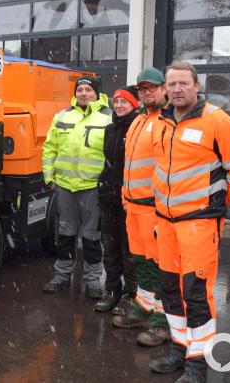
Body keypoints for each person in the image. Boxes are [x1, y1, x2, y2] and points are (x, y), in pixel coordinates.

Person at [149, 61, 230, 383]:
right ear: (165, 89)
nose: (177, 89)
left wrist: (211, 206)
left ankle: (198, 364)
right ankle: (179, 349)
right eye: (171, 84)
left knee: (197, 294)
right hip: (166, 222)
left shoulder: (218, 122)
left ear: (196, 86)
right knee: (170, 290)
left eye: (183, 84)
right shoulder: (162, 121)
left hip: (199, 224)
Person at [112, 67, 170, 348]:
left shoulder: (167, 122)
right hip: (134, 207)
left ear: (164, 89)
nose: (147, 93)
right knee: (142, 262)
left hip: (154, 209)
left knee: (161, 266)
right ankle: (144, 308)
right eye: (142, 89)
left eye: (152, 88)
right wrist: (126, 198)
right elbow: (130, 165)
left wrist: (161, 207)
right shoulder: (138, 120)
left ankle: (162, 321)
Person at [42, 76, 112, 300]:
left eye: (88, 90)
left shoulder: (109, 117)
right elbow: (50, 147)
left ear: (97, 93)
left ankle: (92, 281)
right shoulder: (62, 116)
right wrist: (49, 177)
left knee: (92, 238)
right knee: (65, 234)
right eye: (80, 89)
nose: (83, 93)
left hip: (92, 188)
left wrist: (107, 183)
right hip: (65, 187)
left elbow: (113, 154)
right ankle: (61, 276)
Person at [94, 85, 140, 312]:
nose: (119, 105)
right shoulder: (110, 129)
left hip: (130, 200)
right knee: (110, 247)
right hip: (108, 197)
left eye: (124, 102)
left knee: (129, 250)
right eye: (117, 102)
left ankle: (130, 295)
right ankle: (112, 290)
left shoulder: (139, 127)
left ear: (134, 104)